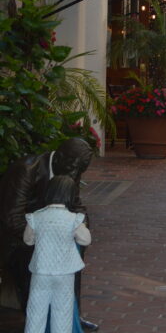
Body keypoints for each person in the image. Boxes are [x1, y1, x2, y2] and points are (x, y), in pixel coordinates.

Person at [0, 139, 97, 329]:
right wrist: (44, 236)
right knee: (39, 262)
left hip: (44, 232)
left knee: (73, 252)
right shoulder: (27, 170)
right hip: (16, 238)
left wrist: (81, 224)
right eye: (73, 169)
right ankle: (39, 318)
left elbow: (77, 206)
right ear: (59, 157)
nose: (74, 175)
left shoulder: (69, 168)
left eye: (79, 172)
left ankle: (73, 314)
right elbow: (11, 217)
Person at [23, 176, 91, 333]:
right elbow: (85, 240)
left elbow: (28, 240)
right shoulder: (73, 219)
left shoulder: (36, 217)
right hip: (65, 272)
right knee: (62, 312)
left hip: (41, 271)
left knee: (35, 311)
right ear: (70, 194)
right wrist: (82, 227)